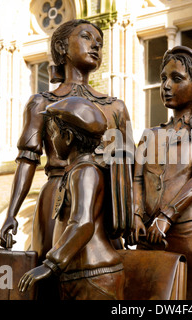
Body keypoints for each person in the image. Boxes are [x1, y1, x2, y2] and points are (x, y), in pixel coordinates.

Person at [0, 19, 133, 266]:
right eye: (86, 38)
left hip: (103, 202)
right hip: (56, 199)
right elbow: (28, 160)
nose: (95, 46)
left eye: (99, 43)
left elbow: (128, 166)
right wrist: (11, 214)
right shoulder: (41, 102)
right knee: (47, 277)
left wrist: (133, 215)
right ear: (62, 47)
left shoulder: (116, 106)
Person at [130, 46, 192, 300]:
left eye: (176, 78)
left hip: (189, 230)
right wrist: (137, 215)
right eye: (163, 79)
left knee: (191, 301)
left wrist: (166, 217)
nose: (166, 86)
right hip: (147, 232)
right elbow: (137, 179)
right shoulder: (150, 135)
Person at [18, 96, 125, 300]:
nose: (51, 139)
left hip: (94, 274)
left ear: (67, 137)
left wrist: (50, 264)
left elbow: (82, 223)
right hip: (80, 273)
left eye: (53, 132)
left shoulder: (85, 172)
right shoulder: (77, 171)